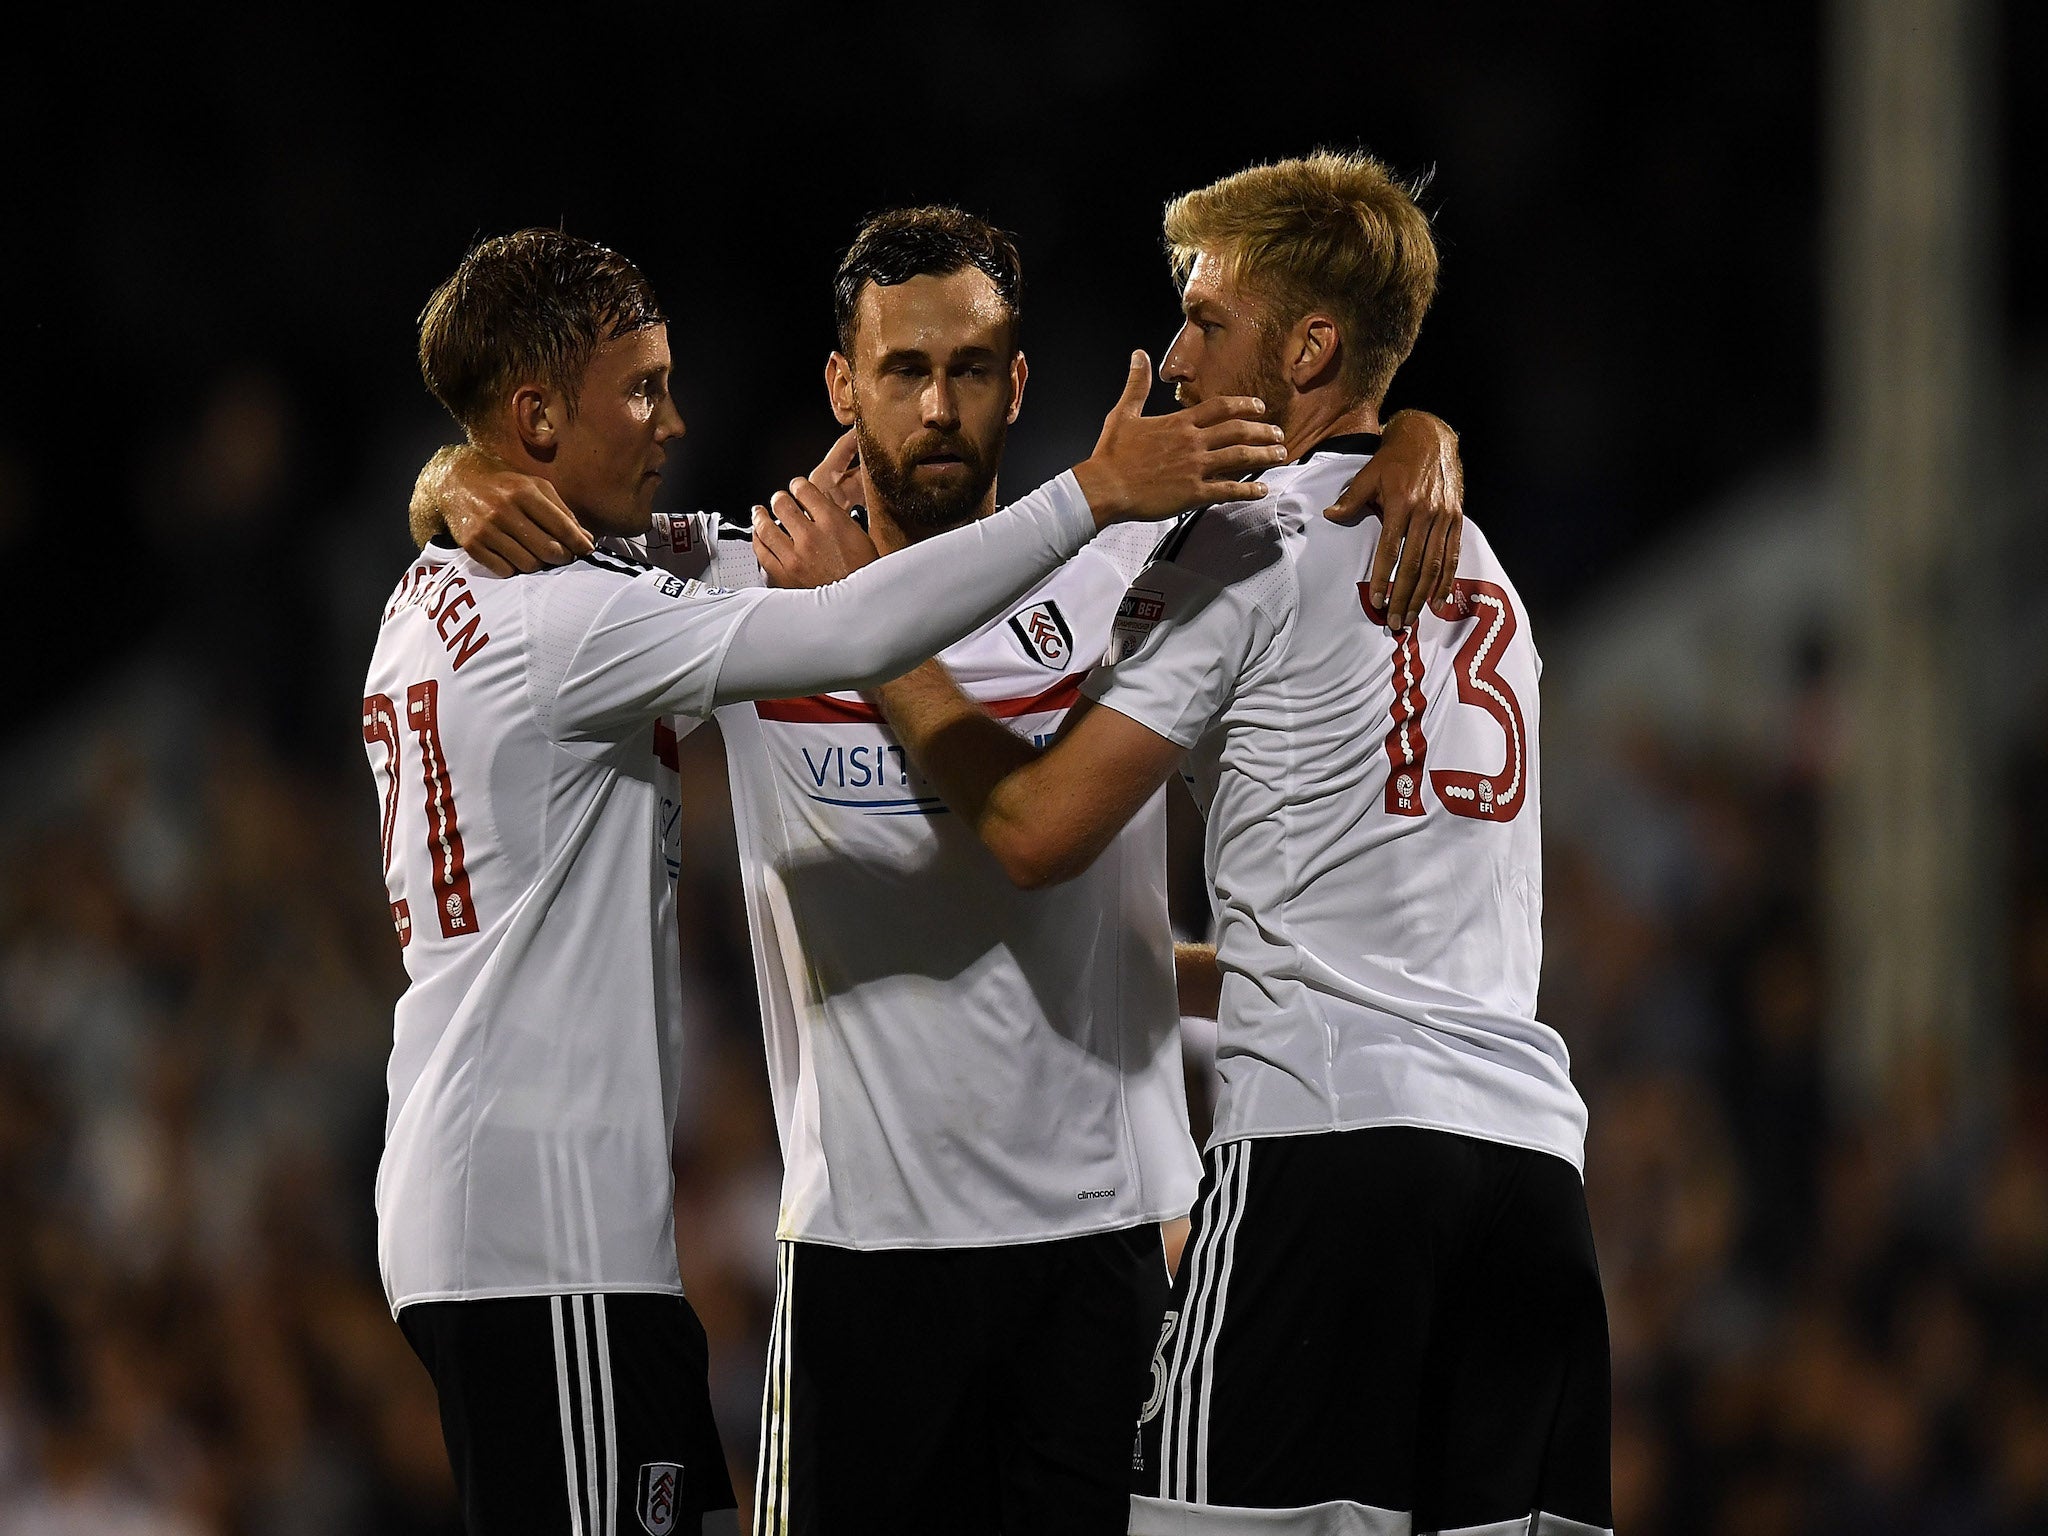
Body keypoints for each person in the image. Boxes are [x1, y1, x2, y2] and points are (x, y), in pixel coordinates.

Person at [419, 207, 1468, 1533]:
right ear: (840, 386)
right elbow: (524, 531)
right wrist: (448, 483)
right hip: (863, 1248)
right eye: (902, 371)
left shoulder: (1133, 557)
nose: (936, 405)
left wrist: (1430, 440)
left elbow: (1339, 467)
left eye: (970, 369)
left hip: (1098, 1244)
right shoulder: (746, 576)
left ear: (1018, 384)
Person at [843, 156, 1612, 1535]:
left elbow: (1032, 827)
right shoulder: (1482, 560)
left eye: (1206, 318)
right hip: (1529, 1181)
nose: (1174, 352)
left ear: (1309, 347)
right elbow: (1357, 925)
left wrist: (878, 643)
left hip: (1330, 1158)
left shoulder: (1242, 545)